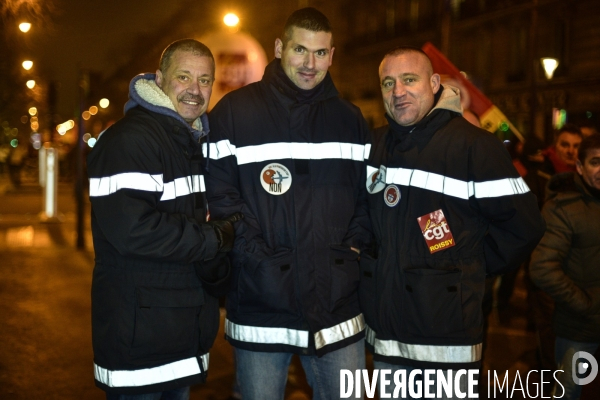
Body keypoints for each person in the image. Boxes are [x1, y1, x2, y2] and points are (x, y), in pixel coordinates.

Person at [204, 8, 371, 400]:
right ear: (280, 48)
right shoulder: (233, 113)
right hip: (262, 303)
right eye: (300, 50)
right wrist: (260, 260)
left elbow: (366, 200)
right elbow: (222, 200)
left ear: (332, 55)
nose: (310, 64)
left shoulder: (350, 120)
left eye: (320, 53)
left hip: (337, 307)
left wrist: (351, 252)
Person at [360, 46, 545, 398]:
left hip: (447, 339)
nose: (398, 92)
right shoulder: (376, 145)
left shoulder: (476, 146)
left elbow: (525, 226)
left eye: (409, 80)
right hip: (385, 336)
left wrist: (469, 265)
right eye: (388, 83)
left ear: (433, 83)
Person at [87, 39, 242, 399]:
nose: (195, 90)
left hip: (173, 334)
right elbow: (133, 230)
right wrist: (213, 239)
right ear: (159, 79)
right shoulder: (131, 139)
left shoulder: (188, 140)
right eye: (183, 77)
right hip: (140, 340)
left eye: (205, 80)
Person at [530, 133, 600, 400]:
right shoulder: (563, 208)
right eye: (595, 162)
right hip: (580, 330)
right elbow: (542, 269)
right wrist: (586, 303)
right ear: (580, 168)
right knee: (568, 392)